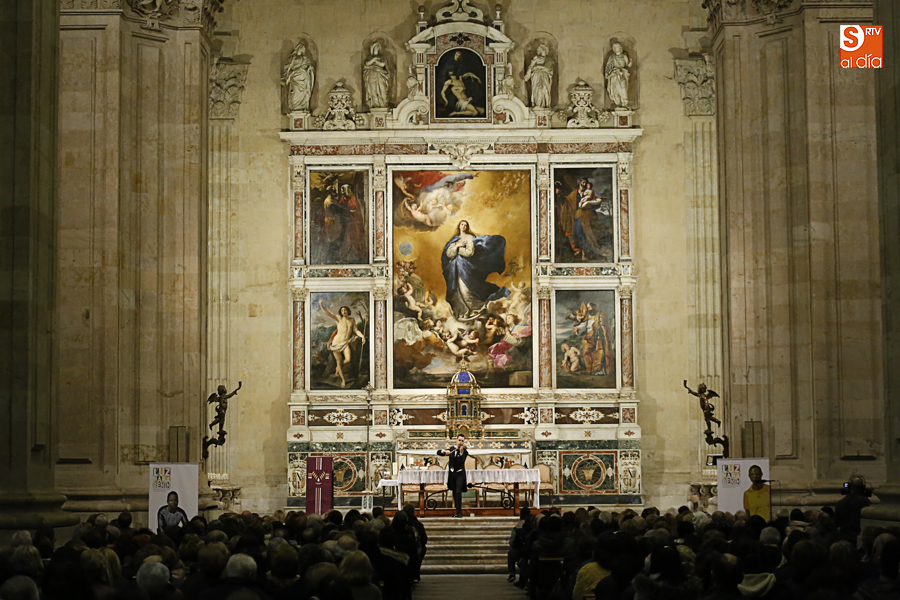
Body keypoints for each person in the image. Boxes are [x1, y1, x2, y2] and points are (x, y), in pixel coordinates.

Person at [441, 220, 510, 320]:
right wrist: (457, 246)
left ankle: (475, 308)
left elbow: (469, 252)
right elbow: (449, 254)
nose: (463, 226)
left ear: (467, 227)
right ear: (459, 226)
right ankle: (462, 310)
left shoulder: (470, 238)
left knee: (466, 289)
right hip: (454, 269)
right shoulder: (454, 239)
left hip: (466, 267)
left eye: (465, 225)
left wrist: (457, 249)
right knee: (456, 290)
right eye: (462, 224)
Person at [319, 300, 366, 388]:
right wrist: (321, 305)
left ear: (348, 311)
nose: (343, 311)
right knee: (339, 361)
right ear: (340, 312)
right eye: (342, 310)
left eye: (345, 310)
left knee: (348, 359)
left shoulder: (352, 320)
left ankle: (338, 368)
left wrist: (362, 336)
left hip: (345, 342)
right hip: (336, 343)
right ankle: (343, 380)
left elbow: (356, 330)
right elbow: (328, 314)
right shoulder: (339, 318)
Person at [436, 434, 469, 518]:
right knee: (454, 492)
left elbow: (461, 461)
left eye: (462, 441)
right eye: (459, 440)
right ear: (456, 440)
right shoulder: (452, 449)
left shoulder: (465, 452)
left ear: (464, 442)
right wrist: (444, 451)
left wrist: (460, 452)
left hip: (460, 474)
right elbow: (438, 452)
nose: (460, 442)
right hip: (452, 474)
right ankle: (457, 512)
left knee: (458, 491)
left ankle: (459, 513)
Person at [282, 42, 315, 112]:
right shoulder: (292, 58)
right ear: (297, 48)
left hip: (304, 77)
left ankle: (304, 106)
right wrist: (287, 76)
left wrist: (309, 69)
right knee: (294, 92)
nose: (302, 49)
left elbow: (309, 66)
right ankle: (294, 107)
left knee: (304, 92)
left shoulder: (306, 58)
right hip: (295, 77)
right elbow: (287, 68)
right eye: (300, 47)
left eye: (303, 48)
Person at [524, 43, 553, 108]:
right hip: (536, 76)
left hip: (545, 77)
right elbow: (530, 67)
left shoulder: (549, 60)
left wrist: (539, 67)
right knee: (537, 89)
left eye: (543, 50)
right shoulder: (536, 58)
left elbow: (549, 69)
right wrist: (528, 75)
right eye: (541, 50)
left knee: (545, 89)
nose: (542, 51)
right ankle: (536, 103)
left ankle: (546, 104)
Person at [363, 42, 390, 109]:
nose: (377, 48)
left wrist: (375, 61)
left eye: (378, 47)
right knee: (373, 90)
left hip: (380, 75)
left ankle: (383, 103)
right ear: (373, 48)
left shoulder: (381, 57)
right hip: (371, 75)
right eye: (376, 47)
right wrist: (374, 59)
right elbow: (367, 63)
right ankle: (375, 104)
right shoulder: (369, 57)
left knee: (382, 89)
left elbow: (382, 64)